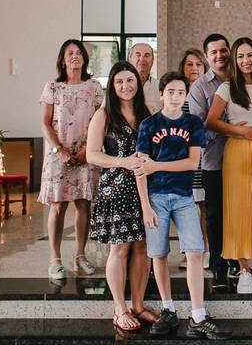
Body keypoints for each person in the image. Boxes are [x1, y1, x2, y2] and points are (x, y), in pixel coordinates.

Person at [134, 72, 231, 339]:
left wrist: (156, 165)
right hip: (155, 198)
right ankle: (168, 309)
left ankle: (198, 315)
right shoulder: (149, 124)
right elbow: (140, 169)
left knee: (196, 252)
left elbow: (192, 162)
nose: (175, 97)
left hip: (184, 197)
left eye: (180, 92)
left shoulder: (193, 124)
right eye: (171, 92)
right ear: (161, 94)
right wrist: (145, 207)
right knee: (159, 254)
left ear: (185, 95)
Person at [206, 37, 252, 295]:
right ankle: (244, 270)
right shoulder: (226, 88)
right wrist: (239, 131)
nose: (245, 60)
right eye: (240, 56)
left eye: (250, 55)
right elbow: (211, 121)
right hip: (237, 153)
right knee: (239, 209)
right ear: (234, 61)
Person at [87, 61, 155, 331]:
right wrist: (123, 161)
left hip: (143, 188)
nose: (125, 86)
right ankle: (119, 308)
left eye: (130, 80)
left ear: (137, 83)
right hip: (116, 189)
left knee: (142, 247)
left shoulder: (146, 113)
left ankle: (138, 304)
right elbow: (92, 154)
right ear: (112, 86)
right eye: (119, 82)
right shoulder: (104, 115)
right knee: (121, 247)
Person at [39, 39, 104, 280]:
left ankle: (80, 255)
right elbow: (45, 122)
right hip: (58, 154)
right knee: (58, 206)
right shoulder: (53, 87)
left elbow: (101, 119)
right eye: (69, 53)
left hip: (86, 152)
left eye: (78, 52)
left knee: (83, 204)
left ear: (85, 58)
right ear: (63, 59)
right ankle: (54, 259)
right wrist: (60, 150)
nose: (74, 56)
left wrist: (86, 150)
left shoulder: (94, 87)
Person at [187, 34, 238, 285]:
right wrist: (230, 129)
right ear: (207, 57)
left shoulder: (240, 79)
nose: (220, 55)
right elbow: (198, 129)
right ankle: (218, 266)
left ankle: (239, 262)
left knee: (238, 212)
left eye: (223, 50)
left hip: (242, 160)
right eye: (214, 52)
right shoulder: (199, 87)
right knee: (215, 215)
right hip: (213, 161)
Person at [178, 48, 211, 270]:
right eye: (189, 64)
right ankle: (189, 251)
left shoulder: (207, 91)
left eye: (198, 64)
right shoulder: (178, 92)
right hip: (182, 157)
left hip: (205, 156)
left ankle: (206, 250)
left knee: (204, 207)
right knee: (185, 207)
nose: (194, 68)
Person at [129, 42, 161, 114]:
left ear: (152, 60)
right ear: (130, 60)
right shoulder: (121, 87)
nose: (142, 59)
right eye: (138, 55)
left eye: (147, 55)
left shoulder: (161, 87)